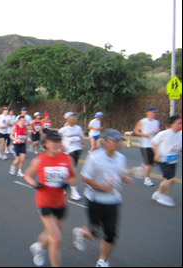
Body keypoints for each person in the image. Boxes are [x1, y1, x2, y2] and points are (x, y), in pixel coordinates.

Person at [72, 129, 133, 268]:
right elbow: (85, 177)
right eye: (115, 140)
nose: (118, 143)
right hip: (95, 200)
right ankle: (81, 233)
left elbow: (119, 174)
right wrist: (101, 186)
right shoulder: (95, 157)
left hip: (113, 200)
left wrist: (125, 178)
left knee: (111, 233)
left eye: (119, 141)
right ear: (105, 142)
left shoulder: (121, 158)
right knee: (94, 233)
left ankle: (102, 260)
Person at [24, 129, 77, 267]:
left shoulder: (67, 159)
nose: (55, 144)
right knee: (56, 238)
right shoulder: (39, 160)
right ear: (45, 143)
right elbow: (27, 175)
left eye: (57, 141)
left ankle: (38, 247)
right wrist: (35, 184)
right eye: (52, 141)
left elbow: (74, 177)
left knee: (51, 232)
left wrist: (69, 182)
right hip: (44, 202)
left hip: (60, 203)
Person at [151, 115, 182, 207]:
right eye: (178, 123)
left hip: (173, 160)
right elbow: (154, 143)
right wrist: (156, 153)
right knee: (170, 178)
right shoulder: (164, 133)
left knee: (170, 180)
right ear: (172, 124)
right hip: (163, 159)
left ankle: (166, 195)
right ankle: (158, 194)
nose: (180, 125)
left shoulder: (180, 134)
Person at [59, 112, 86, 201]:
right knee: (73, 171)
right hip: (68, 153)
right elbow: (56, 138)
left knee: (69, 172)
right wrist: (61, 146)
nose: (74, 118)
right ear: (67, 119)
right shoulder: (63, 129)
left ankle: (61, 186)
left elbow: (81, 136)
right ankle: (74, 192)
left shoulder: (78, 128)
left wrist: (82, 143)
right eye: (72, 117)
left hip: (77, 152)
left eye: (75, 117)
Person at [133, 106, 161, 186]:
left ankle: (141, 168)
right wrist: (144, 134)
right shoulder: (142, 122)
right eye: (152, 112)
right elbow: (136, 131)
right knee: (149, 164)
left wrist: (157, 131)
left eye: (155, 112)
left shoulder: (156, 122)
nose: (154, 114)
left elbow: (157, 131)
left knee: (155, 161)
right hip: (145, 145)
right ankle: (147, 179)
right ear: (147, 113)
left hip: (154, 145)